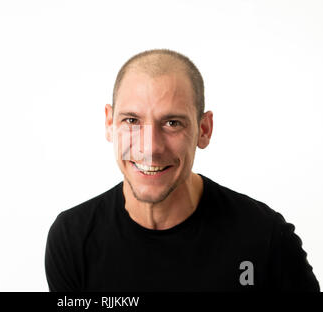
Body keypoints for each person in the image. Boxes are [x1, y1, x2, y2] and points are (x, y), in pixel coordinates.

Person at [44, 48, 320, 291]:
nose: (150, 148)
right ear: (109, 124)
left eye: (172, 123)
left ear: (204, 130)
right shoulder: (73, 238)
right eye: (131, 120)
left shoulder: (265, 237)